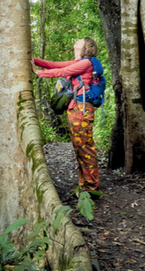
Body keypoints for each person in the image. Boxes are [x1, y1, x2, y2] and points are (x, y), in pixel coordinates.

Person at [31, 37, 99, 194]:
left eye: (80, 41)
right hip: (75, 109)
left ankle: (92, 187)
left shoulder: (86, 63)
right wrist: (33, 59)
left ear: (86, 48)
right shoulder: (78, 62)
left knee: (85, 148)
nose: (77, 41)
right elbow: (54, 65)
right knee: (78, 147)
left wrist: (38, 73)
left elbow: (62, 72)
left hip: (82, 110)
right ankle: (85, 184)